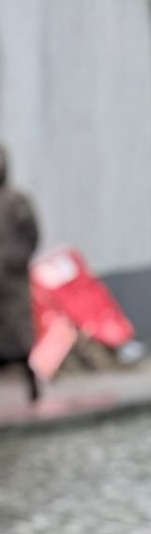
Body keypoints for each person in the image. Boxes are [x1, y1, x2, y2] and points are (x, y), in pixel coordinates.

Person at [0, 147, 40, 401]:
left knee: (18, 335)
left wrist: (17, 259)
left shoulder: (17, 201)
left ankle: (32, 385)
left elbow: (31, 234)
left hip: (11, 281)